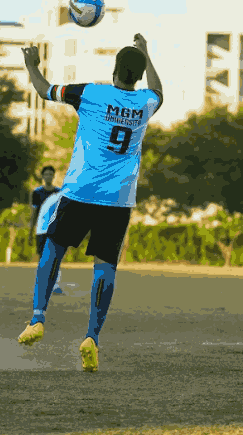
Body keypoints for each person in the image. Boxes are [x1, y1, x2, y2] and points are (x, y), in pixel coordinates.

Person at [16, 33, 163, 373]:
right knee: (105, 265)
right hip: (119, 198)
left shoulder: (91, 93)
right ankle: (92, 337)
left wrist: (31, 65)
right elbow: (159, 92)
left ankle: (38, 318)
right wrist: (146, 53)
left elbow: (44, 90)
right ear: (138, 75)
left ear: (114, 69)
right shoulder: (144, 103)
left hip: (81, 190)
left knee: (53, 248)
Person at [28, 165, 63, 295]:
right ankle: (43, 284)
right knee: (43, 257)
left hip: (56, 229)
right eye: (46, 174)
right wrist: (30, 232)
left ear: (54, 176)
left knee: (55, 257)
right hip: (41, 230)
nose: (48, 176)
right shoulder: (37, 193)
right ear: (42, 176)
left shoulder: (59, 193)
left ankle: (56, 285)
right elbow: (34, 213)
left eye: (50, 174)